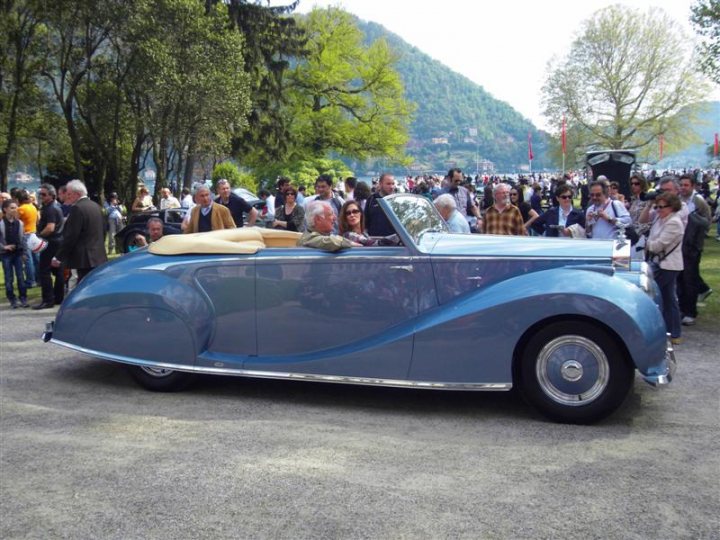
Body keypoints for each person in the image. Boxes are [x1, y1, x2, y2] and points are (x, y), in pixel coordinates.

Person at [645, 192, 684, 345]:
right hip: (660, 262)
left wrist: (646, 242)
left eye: (662, 207)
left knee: (655, 295)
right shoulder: (660, 219)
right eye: (657, 206)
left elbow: (657, 245)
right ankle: (673, 332)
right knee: (668, 298)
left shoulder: (673, 222)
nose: (659, 209)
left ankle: (664, 331)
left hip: (668, 265)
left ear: (672, 207)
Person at [51, 180, 108, 284]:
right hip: (99, 255)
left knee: (85, 287)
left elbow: (71, 236)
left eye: (69, 194)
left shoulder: (77, 208)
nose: (67, 197)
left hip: (84, 259)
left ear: (77, 194)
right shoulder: (96, 206)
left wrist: (59, 257)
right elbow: (104, 230)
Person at [677, 173, 712, 325]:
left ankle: (691, 311)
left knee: (690, 278)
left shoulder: (698, 201)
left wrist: (698, 235)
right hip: (680, 243)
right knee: (681, 279)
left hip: (692, 246)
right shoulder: (679, 200)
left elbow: (707, 220)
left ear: (692, 186)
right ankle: (683, 308)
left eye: (686, 185)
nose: (683, 188)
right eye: (682, 185)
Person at [32, 184, 65, 309]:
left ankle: (48, 299)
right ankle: (58, 297)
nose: (41, 196)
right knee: (58, 271)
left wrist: (38, 236)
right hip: (58, 241)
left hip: (51, 242)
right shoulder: (56, 207)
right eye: (40, 194)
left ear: (52, 195)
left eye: (44, 194)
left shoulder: (50, 208)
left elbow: (50, 227)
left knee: (44, 271)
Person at [0, 199, 29, 307]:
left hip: (18, 253)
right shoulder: (1, 224)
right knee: (9, 278)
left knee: (21, 277)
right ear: (5, 209)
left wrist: (24, 253)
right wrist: (4, 247)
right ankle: (12, 299)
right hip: (6, 254)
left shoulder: (19, 223)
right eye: (12, 208)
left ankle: (23, 297)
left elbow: (23, 239)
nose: (15, 210)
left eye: (16, 207)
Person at [17, 190, 39, 287]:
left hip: (25, 234)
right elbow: (38, 220)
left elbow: (15, 222)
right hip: (34, 233)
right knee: (36, 258)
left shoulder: (20, 209)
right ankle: (39, 279)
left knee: (27, 259)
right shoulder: (33, 207)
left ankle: (31, 280)